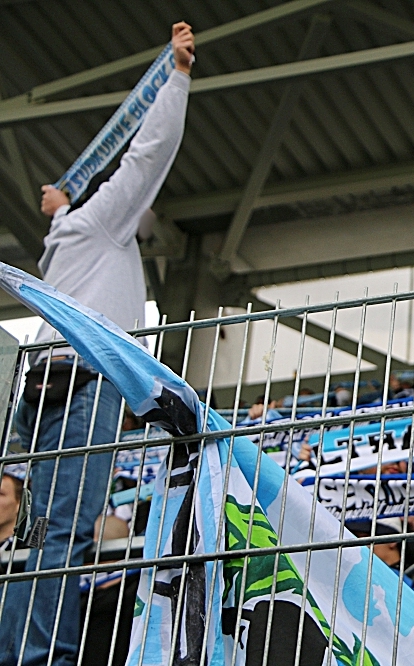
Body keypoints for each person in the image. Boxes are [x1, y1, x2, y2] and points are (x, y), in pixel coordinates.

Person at [0, 24, 195, 666]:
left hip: (39, 381)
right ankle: (41, 656)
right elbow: (149, 156)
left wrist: (60, 208)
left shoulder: (61, 246)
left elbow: (65, 210)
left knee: (36, 531)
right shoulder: (97, 224)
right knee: (67, 531)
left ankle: (17, 646)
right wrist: (178, 80)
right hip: (85, 379)